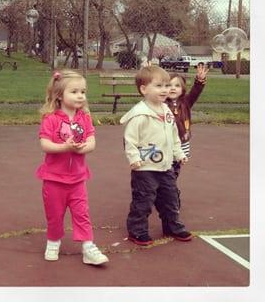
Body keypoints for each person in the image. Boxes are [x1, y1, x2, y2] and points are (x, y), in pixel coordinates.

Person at [36, 69, 109, 265]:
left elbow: (92, 141)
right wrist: (64, 147)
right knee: (54, 215)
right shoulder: (50, 118)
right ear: (59, 95)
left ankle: (88, 247)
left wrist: (82, 148)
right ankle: (53, 241)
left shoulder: (84, 118)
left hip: (77, 179)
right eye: (74, 91)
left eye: (83, 92)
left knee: (82, 213)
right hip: (54, 179)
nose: (80, 96)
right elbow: (45, 144)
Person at [120, 65, 192, 246]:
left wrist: (179, 153)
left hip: (166, 166)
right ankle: (137, 231)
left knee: (170, 199)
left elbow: (174, 136)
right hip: (145, 168)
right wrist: (134, 158)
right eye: (159, 86)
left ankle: (172, 226)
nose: (165, 90)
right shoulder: (139, 114)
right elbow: (130, 140)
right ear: (144, 89)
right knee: (143, 200)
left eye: (167, 86)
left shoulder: (167, 111)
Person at [166, 63, 208, 178]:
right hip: (166, 143)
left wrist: (200, 81)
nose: (173, 88)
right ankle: (166, 189)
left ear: (183, 88)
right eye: (169, 85)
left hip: (183, 141)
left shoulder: (186, 102)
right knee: (164, 168)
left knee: (176, 168)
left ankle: (170, 188)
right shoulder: (161, 103)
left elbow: (195, 91)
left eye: (177, 85)